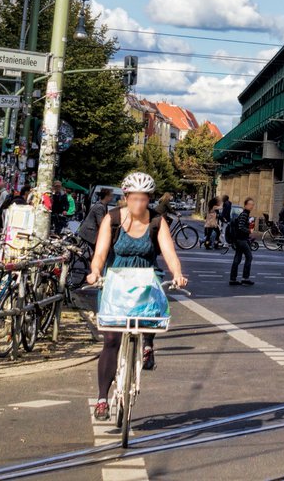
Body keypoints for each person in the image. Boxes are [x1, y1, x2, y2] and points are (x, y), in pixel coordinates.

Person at [85, 171, 187, 421]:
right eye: (134, 198)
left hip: (145, 279)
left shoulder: (157, 221)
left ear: (149, 199)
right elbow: (100, 252)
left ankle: (148, 345)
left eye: (144, 199)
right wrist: (95, 272)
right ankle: (102, 398)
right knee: (110, 340)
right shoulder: (113, 219)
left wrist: (178, 273)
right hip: (117, 281)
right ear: (126, 197)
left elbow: (169, 252)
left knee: (152, 308)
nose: (139, 204)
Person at [226, 197, 255, 286]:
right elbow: (241, 227)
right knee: (249, 257)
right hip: (241, 239)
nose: (252, 206)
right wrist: (249, 231)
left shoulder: (244, 214)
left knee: (237, 259)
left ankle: (233, 279)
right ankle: (245, 278)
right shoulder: (244, 214)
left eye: (253, 204)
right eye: (250, 204)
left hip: (239, 239)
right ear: (246, 205)